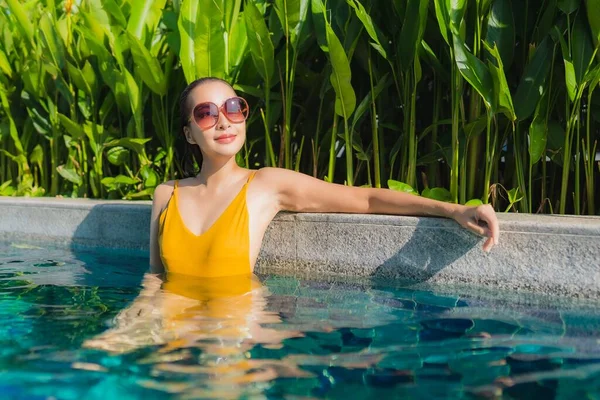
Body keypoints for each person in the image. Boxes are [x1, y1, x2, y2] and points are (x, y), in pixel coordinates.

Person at [149, 77, 499, 277]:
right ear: (190, 133)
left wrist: (453, 210)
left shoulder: (266, 185)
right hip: (172, 325)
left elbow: (365, 199)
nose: (224, 120)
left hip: (234, 329)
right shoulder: (167, 193)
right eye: (206, 113)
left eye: (233, 107)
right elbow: (155, 278)